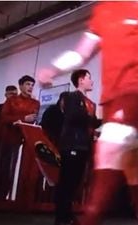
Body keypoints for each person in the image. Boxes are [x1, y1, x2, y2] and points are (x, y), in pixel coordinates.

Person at [37, 2, 138, 225]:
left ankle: (90, 219)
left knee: (110, 146)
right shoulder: (103, 10)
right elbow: (81, 53)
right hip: (113, 99)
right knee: (133, 166)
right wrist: (54, 69)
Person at [54, 69, 101, 225]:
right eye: (89, 78)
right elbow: (74, 116)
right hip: (72, 144)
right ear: (81, 80)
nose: (92, 81)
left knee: (75, 182)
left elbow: (93, 122)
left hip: (83, 146)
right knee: (67, 181)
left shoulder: (90, 104)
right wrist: (90, 119)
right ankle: (61, 217)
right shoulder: (71, 97)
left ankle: (68, 214)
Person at [0, 75, 40, 200]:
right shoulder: (11, 100)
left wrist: (27, 121)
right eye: (27, 84)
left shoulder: (35, 103)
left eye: (32, 85)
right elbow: (3, 117)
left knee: (17, 169)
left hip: (24, 140)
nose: (30, 87)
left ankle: (13, 198)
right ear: (20, 86)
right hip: (8, 137)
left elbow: (33, 120)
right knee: (4, 168)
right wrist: (23, 118)